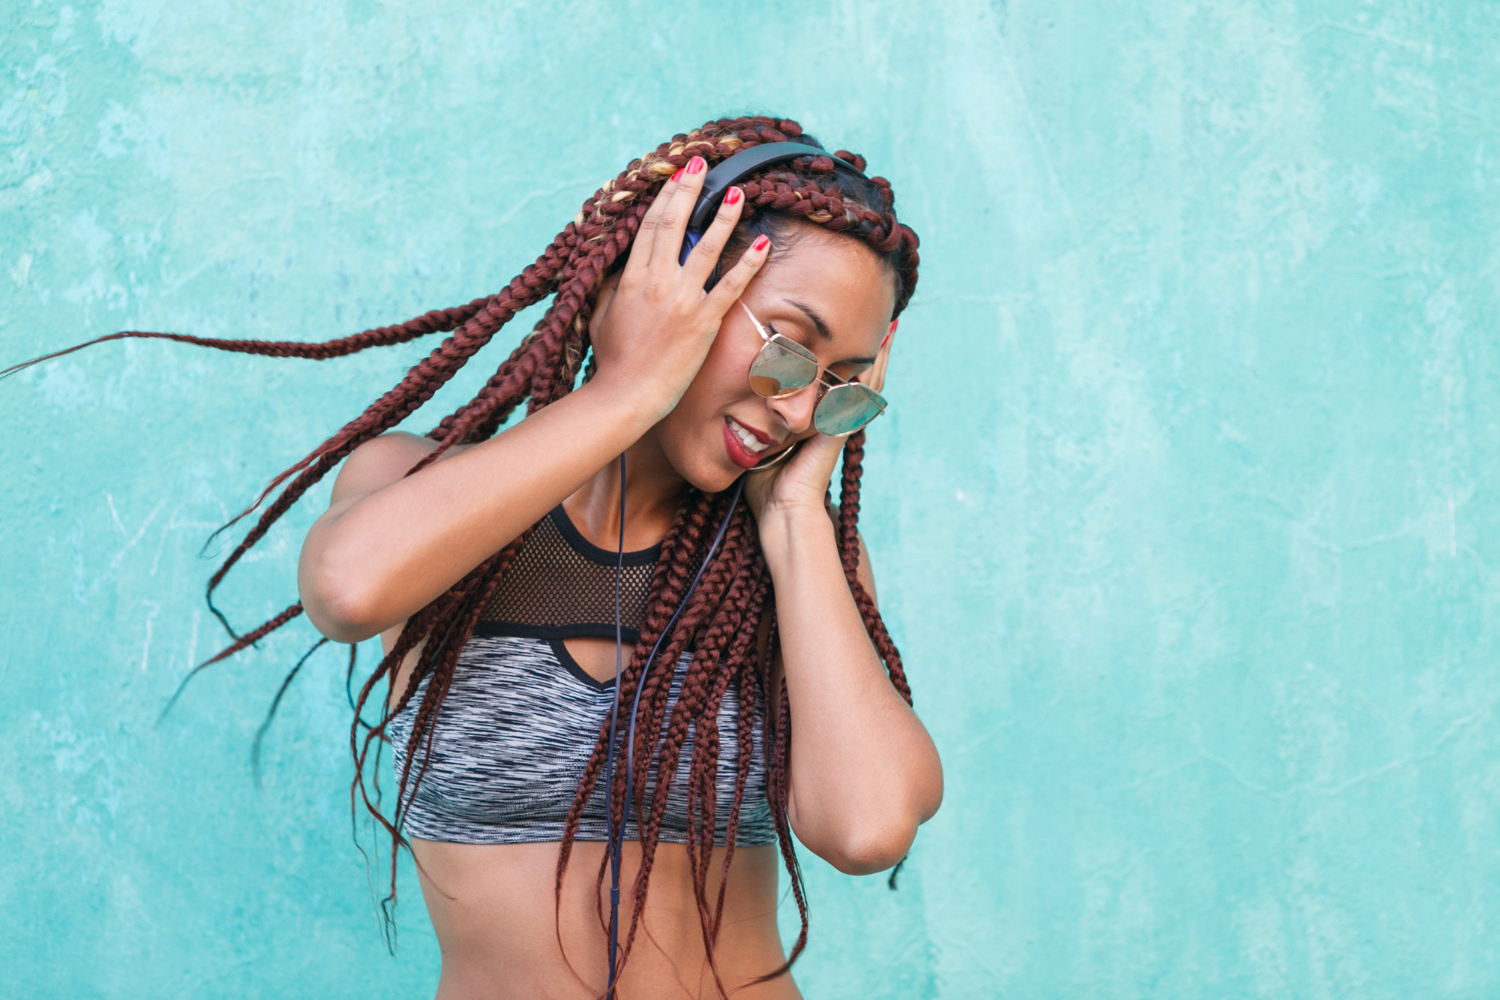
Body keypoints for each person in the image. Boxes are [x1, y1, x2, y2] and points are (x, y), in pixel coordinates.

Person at [9, 114, 943, 999]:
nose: (796, 408)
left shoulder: (792, 565)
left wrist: (791, 516)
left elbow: (865, 828)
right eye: (790, 349)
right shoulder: (417, 484)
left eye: (842, 391)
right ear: (669, 280)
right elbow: (348, 589)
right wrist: (626, 393)